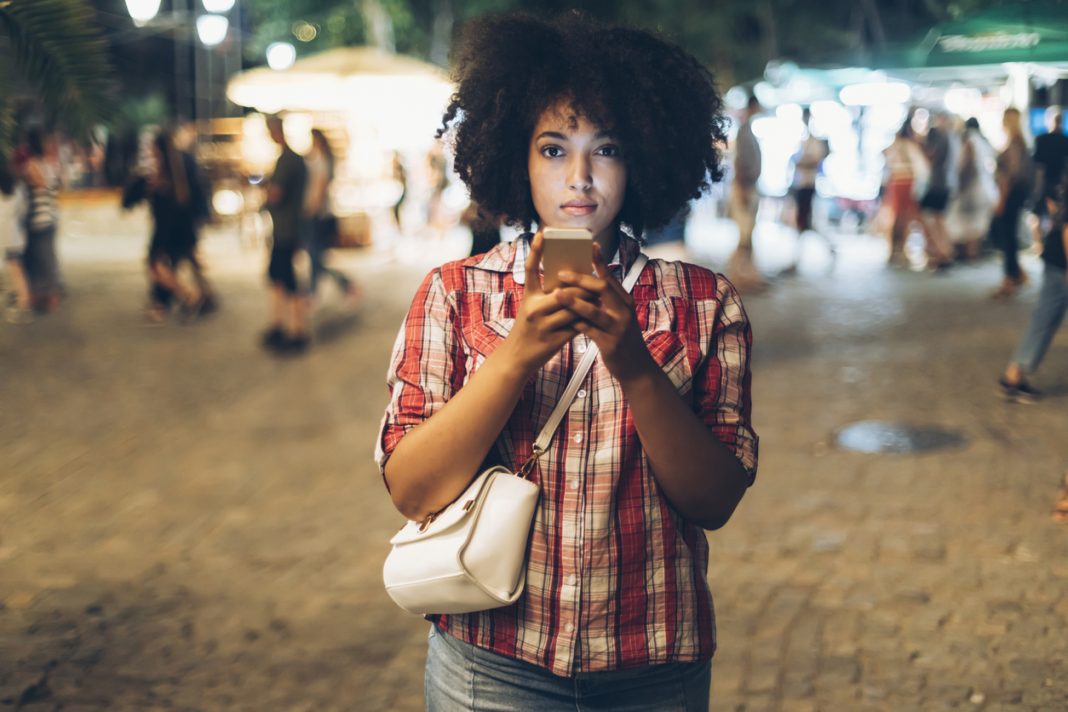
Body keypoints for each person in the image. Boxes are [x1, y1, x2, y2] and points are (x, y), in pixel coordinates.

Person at [375, 13, 757, 711]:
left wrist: (634, 363)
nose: (579, 179)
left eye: (604, 149)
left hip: (654, 662)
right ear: (515, 157)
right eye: (553, 149)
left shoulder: (704, 303)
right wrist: (516, 355)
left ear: (641, 155)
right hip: (491, 662)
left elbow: (715, 500)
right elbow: (411, 489)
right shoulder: (454, 294)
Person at [125, 130, 215, 322]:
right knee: (185, 262)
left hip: (171, 228)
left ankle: (189, 297)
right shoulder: (177, 164)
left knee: (159, 266)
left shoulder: (167, 169)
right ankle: (198, 297)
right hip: (181, 226)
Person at [997, 167, 1067, 404]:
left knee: (1045, 318)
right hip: (1062, 262)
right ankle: (1012, 377)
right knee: (1045, 318)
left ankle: (1013, 376)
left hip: (1057, 257)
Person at [261, 114, 309, 354]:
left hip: (285, 229)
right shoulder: (297, 159)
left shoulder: (286, 160)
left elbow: (276, 194)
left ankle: (296, 330)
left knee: (288, 281)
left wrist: (265, 192)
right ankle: (280, 324)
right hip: (291, 227)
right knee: (279, 278)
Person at [302, 128, 357, 303]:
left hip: (318, 215)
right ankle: (315, 290)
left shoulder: (321, 160)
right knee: (314, 257)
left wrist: (312, 209)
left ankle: (340, 284)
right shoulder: (317, 158)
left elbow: (320, 186)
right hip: (319, 213)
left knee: (315, 256)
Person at [989, 107, 1034, 298]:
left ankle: (1010, 277)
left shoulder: (1015, 144)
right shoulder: (1021, 143)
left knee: (1006, 235)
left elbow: (1009, 176)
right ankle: (1016, 274)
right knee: (1009, 235)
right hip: (1017, 194)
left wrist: (1001, 199)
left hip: (1011, 195)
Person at [785, 107, 833, 273]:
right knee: (804, 223)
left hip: (808, 185)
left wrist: (802, 163)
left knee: (804, 222)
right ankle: (827, 249)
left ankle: (797, 260)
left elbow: (816, 161)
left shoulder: (814, 141)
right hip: (801, 184)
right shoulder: (804, 140)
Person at [727, 94, 766, 291]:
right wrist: (742, 188)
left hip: (749, 186)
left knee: (748, 235)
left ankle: (745, 274)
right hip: (745, 187)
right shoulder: (744, 131)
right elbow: (740, 163)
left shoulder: (747, 130)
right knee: (745, 234)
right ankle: (736, 275)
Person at [21, 128, 62, 313]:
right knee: (47, 258)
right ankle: (48, 296)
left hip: (39, 218)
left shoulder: (33, 166)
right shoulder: (50, 164)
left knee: (43, 259)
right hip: (50, 216)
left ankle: (49, 297)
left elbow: (38, 183)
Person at [947, 117, 997, 261]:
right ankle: (973, 253)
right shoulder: (984, 141)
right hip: (986, 188)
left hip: (972, 189)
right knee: (977, 223)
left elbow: (967, 166)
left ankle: (969, 253)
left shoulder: (969, 141)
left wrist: (960, 184)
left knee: (966, 221)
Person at [882, 118, 928, 268]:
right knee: (904, 218)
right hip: (906, 182)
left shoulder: (894, 146)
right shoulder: (910, 146)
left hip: (896, 181)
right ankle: (900, 250)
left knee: (897, 217)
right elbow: (921, 167)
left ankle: (894, 250)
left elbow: (885, 157)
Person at [917, 111, 958, 270]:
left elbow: (932, 157)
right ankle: (945, 251)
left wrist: (921, 147)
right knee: (939, 218)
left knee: (932, 217)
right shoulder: (954, 137)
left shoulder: (942, 136)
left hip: (938, 183)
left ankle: (943, 251)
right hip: (947, 182)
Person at [1, 154, 32, 324]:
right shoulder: (19, 189)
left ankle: (23, 304)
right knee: (17, 270)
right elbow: (23, 212)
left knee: (16, 271)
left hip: (5, 236)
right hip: (15, 235)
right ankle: (21, 302)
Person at [1033, 108, 1068, 236]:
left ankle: (1042, 246)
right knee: (1058, 216)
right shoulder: (1065, 140)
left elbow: (1037, 166)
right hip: (1060, 184)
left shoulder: (1041, 139)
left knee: (1038, 215)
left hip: (1046, 182)